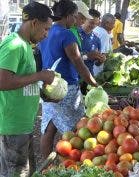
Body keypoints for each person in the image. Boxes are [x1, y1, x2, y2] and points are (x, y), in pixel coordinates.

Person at [0, 2, 57, 176]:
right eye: (45, 29)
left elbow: (21, 81)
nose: (46, 35)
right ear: (34, 23)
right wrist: (40, 76)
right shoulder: (14, 45)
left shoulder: (25, 45)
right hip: (12, 128)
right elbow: (3, 81)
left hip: (22, 126)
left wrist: (44, 94)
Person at [39, 0, 98, 159]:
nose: (75, 20)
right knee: (75, 130)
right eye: (74, 16)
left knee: (49, 126)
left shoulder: (46, 31)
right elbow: (79, 64)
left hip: (48, 86)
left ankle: (46, 166)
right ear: (66, 16)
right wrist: (94, 83)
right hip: (65, 88)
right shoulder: (66, 34)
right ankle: (69, 163)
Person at [79, 9, 105, 94]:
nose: (93, 25)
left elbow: (97, 63)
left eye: (96, 23)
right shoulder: (75, 33)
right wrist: (88, 56)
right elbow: (71, 57)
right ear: (85, 19)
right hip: (75, 78)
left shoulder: (96, 39)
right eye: (91, 22)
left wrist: (101, 60)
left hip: (89, 77)